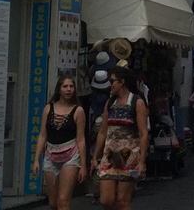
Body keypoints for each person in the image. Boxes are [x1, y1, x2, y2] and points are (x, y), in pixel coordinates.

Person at [91, 66, 149, 210]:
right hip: (109, 156)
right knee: (106, 200)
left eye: (112, 81)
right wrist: (95, 157)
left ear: (122, 82)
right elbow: (103, 131)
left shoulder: (137, 102)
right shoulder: (110, 103)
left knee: (123, 200)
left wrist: (141, 161)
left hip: (129, 156)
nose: (110, 84)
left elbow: (143, 133)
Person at [32, 75, 87, 210]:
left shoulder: (78, 111)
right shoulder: (48, 108)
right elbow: (42, 135)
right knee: (53, 203)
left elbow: (81, 139)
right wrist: (36, 159)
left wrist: (83, 166)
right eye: (65, 86)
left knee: (63, 201)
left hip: (71, 154)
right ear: (59, 89)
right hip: (51, 153)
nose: (69, 90)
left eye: (71, 86)